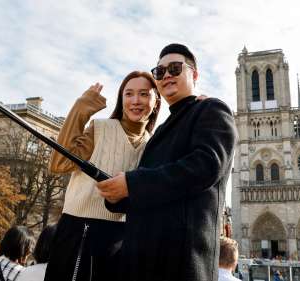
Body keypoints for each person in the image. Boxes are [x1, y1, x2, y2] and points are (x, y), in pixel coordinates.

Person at [99, 43, 237, 281]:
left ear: (194, 74)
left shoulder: (212, 109)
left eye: (175, 68)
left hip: (178, 264)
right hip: (142, 262)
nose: (166, 76)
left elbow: (205, 166)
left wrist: (132, 184)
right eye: (159, 72)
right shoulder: (162, 129)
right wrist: (118, 197)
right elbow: (156, 189)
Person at [44, 71, 161, 281]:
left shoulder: (155, 144)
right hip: (80, 232)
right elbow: (58, 163)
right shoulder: (100, 128)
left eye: (144, 94)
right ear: (121, 99)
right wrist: (81, 109)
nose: (136, 101)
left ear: (156, 100)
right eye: (129, 94)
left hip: (125, 240)